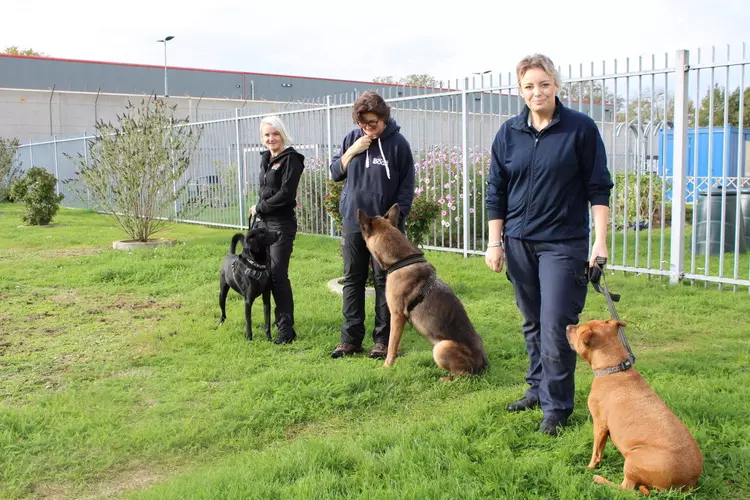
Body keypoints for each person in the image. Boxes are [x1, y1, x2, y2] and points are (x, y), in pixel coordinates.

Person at [485, 54, 613, 436]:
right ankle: (537, 390)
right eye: (529, 86)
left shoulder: (580, 129)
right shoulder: (508, 132)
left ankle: (557, 409)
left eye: (543, 84)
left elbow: (598, 187)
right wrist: (495, 242)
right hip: (519, 241)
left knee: (556, 323)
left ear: (555, 85)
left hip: (563, 244)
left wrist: (600, 242)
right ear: (520, 90)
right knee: (532, 321)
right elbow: (497, 190)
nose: (536, 92)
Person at [329, 91, 415, 359]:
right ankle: (350, 339)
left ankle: (382, 340)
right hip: (356, 223)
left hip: (384, 228)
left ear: (383, 118)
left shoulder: (398, 144)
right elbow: (334, 173)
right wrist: (352, 151)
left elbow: (407, 184)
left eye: (373, 123)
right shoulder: (352, 139)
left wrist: (396, 220)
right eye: (363, 123)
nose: (368, 128)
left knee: (384, 281)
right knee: (353, 279)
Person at [250, 115, 305, 344]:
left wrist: (260, 206)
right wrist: (259, 210)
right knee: (264, 272)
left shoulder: (292, 159)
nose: (271, 138)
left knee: (278, 274)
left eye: (275, 134)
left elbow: (286, 194)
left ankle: (286, 329)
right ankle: (274, 320)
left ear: (282, 134)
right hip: (262, 222)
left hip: (281, 224)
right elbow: (266, 188)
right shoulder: (266, 158)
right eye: (267, 135)